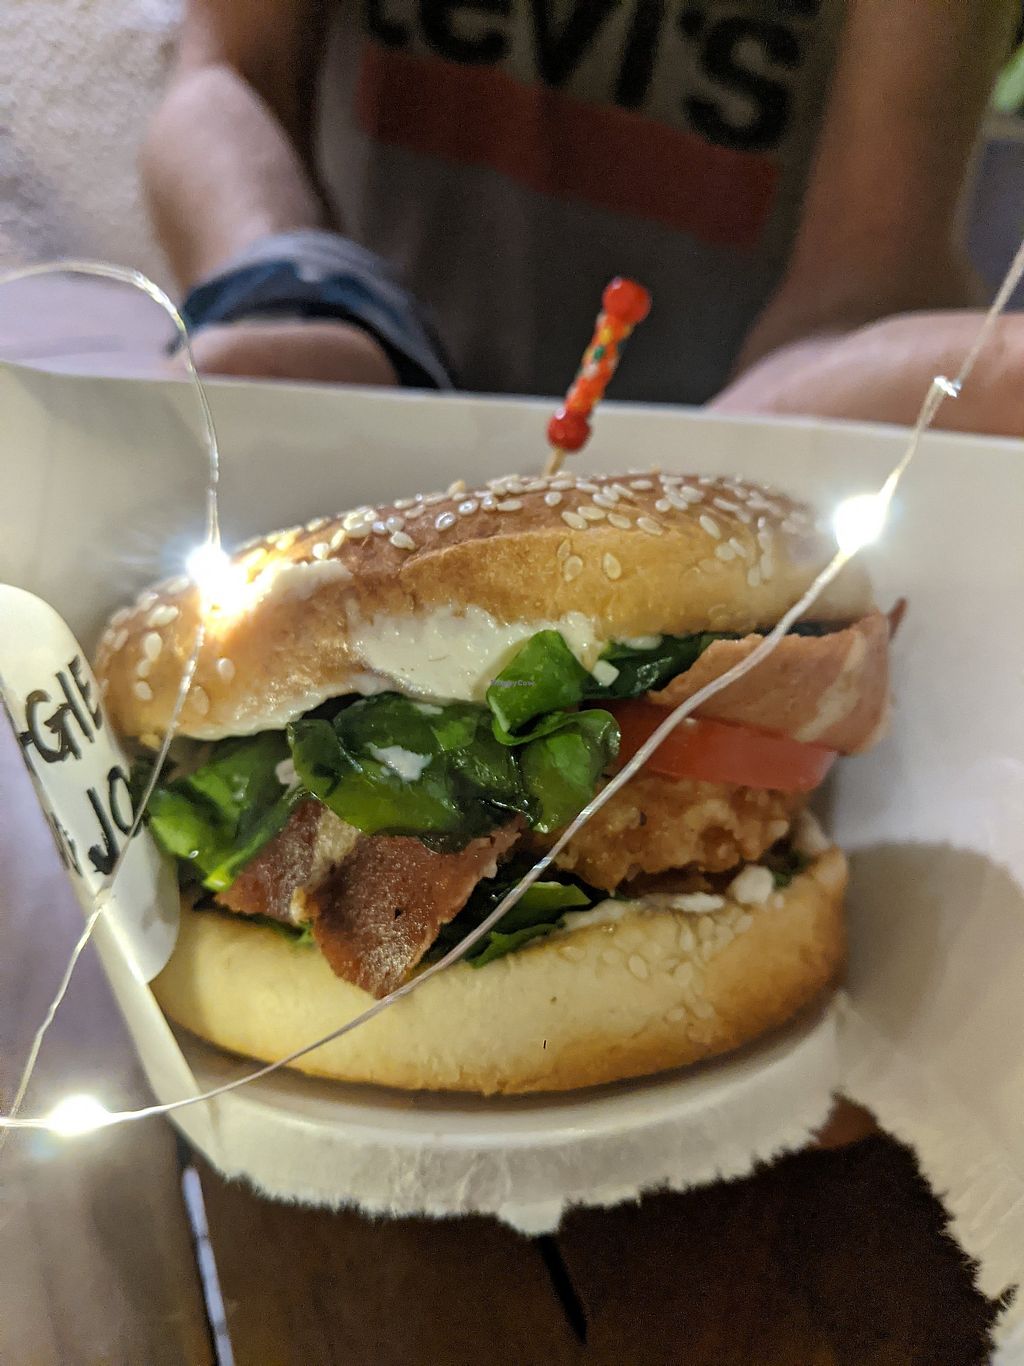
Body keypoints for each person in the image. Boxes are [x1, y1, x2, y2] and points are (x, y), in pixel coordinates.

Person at [142, 1, 1020, 430]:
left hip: (717, 474)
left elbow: (865, 269)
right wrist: (289, 290)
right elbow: (224, 75)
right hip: (346, 432)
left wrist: (793, 419)